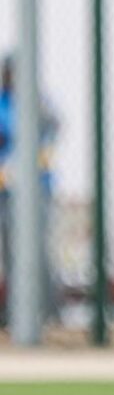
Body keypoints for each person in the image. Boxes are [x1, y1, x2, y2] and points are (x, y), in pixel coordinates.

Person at [0, 53, 61, 328]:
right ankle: (16, 312)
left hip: (38, 189)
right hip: (6, 188)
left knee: (41, 250)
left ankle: (49, 312)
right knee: (12, 250)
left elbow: (52, 133)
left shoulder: (39, 103)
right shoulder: (3, 104)